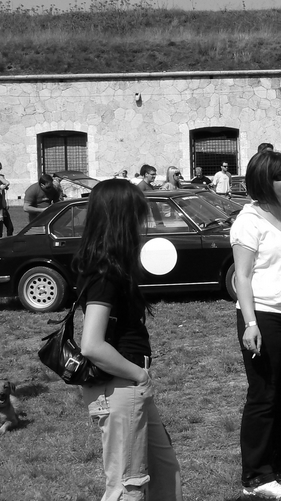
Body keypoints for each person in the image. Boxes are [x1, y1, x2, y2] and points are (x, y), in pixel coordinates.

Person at [76, 179, 182, 501]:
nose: (142, 223)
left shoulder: (115, 268)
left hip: (129, 385)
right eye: (138, 215)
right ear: (121, 218)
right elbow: (91, 344)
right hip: (121, 386)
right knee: (128, 486)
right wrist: (139, 375)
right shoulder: (104, 273)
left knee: (165, 472)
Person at [231, 151, 281, 499]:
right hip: (263, 316)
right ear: (264, 181)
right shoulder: (248, 220)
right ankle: (256, 475)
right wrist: (251, 323)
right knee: (264, 394)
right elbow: (242, 276)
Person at [0, 161, 13, 237]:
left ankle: (8, 241)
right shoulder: (0, 176)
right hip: (1, 208)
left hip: (2, 206)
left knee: (10, 227)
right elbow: (7, 183)